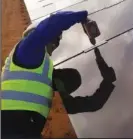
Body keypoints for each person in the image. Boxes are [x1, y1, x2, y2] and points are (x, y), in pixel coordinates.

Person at [1, 10, 90, 139]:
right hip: (11, 126)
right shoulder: (27, 49)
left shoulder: (40, 65)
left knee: (72, 76)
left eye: (57, 42)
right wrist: (79, 16)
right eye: (55, 39)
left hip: (23, 127)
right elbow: (51, 24)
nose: (55, 44)